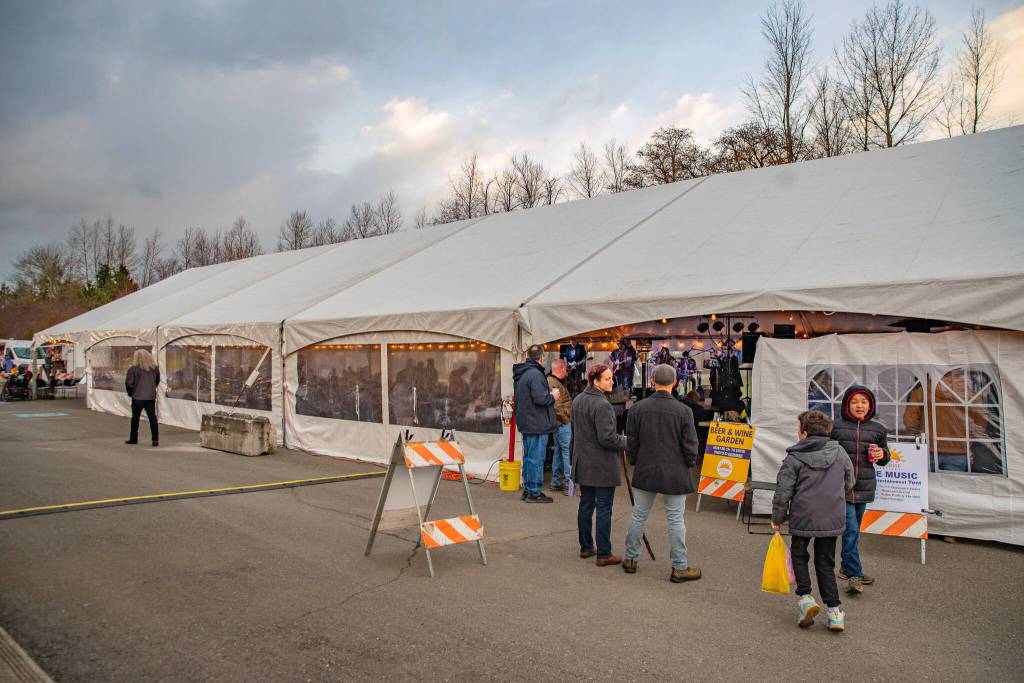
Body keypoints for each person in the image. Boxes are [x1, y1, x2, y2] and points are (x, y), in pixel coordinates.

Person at [771, 410, 855, 632]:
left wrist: (777, 518)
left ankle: (806, 598)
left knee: (799, 555)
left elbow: (783, 491)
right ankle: (835, 612)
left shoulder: (794, 458)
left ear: (804, 433)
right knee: (825, 562)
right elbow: (850, 481)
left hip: (803, 516)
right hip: (832, 516)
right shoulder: (840, 453)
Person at [622, 364, 702, 582]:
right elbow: (690, 445)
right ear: (675, 383)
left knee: (638, 515)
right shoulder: (684, 411)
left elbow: (633, 442)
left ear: (652, 382)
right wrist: (689, 464)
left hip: (646, 469)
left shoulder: (637, 409)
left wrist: (635, 461)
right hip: (675, 471)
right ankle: (679, 567)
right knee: (675, 520)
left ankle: (630, 559)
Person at [830, 385, 890, 594]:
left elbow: (885, 458)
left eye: (864, 402)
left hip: (864, 487)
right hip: (841, 488)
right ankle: (854, 574)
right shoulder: (835, 427)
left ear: (870, 405)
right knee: (851, 530)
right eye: (855, 401)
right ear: (847, 404)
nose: (859, 406)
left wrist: (882, 455)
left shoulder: (878, 430)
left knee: (853, 532)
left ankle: (846, 568)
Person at [571, 364, 627, 565]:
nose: (612, 381)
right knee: (603, 507)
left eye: (611, 378)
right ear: (595, 381)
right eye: (607, 378)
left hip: (583, 461)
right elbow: (607, 439)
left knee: (586, 504)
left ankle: (586, 547)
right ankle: (604, 553)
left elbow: (576, 434)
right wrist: (627, 442)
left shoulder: (578, 400)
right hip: (600, 464)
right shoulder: (602, 405)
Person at [512, 344, 559, 503]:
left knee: (529, 457)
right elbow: (541, 399)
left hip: (528, 422)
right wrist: (553, 395)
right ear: (541, 357)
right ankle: (534, 492)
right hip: (536, 423)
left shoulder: (524, 373)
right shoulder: (535, 374)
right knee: (536, 458)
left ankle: (528, 489)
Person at [547, 359, 573, 493]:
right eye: (566, 370)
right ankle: (569, 484)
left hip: (558, 423)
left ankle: (556, 482)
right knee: (566, 451)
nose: (567, 373)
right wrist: (566, 419)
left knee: (558, 451)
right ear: (561, 369)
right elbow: (557, 407)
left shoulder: (552, 382)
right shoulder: (554, 383)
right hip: (562, 423)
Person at [125, 349, 161, 447]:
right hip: (150, 396)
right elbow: (157, 381)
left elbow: (129, 383)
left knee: (135, 419)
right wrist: (151, 388)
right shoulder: (154, 368)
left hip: (137, 397)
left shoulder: (133, 369)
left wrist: (131, 393)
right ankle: (155, 440)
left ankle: (133, 438)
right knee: (152, 418)